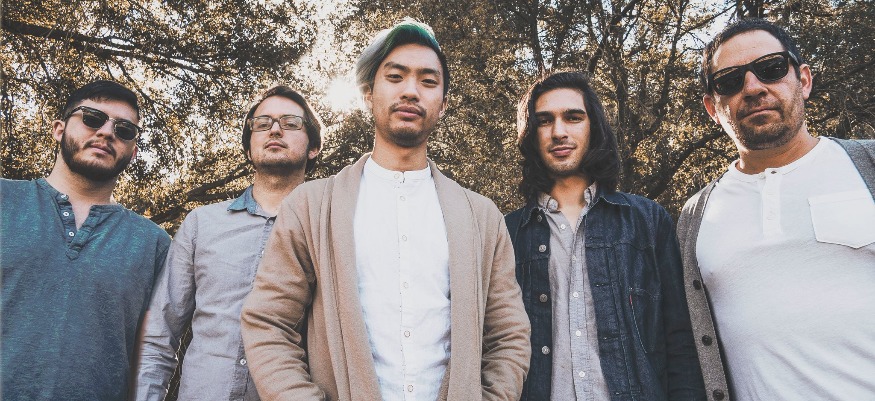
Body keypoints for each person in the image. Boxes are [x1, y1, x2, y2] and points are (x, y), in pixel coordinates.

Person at [240, 19, 531, 401]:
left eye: (428, 81)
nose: (411, 90)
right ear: (368, 94)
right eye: (395, 77)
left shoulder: (482, 217)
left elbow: (509, 335)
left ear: (443, 104)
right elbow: (268, 323)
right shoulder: (311, 207)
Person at [679, 18, 875, 401]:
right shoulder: (695, 217)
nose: (753, 88)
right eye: (730, 81)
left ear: (804, 80)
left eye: (771, 68)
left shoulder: (867, 165)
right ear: (712, 108)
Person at [505, 71, 706, 401]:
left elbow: (681, 341)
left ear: (593, 126)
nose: (559, 131)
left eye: (573, 117)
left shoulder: (647, 221)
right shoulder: (508, 233)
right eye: (544, 120)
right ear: (530, 134)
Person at [135, 85, 322, 401]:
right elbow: (159, 336)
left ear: (313, 147)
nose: (275, 129)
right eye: (262, 124)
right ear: (248, 149)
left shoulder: (329, 230)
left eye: (291, 123)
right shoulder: (201, 223)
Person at [1, 80, 171, 400]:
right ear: (59, 129)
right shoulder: (4, 200)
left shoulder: (155, 245)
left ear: (133, 152)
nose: (107, 132)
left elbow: (152, 356)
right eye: (93, 118)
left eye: (124, 129)